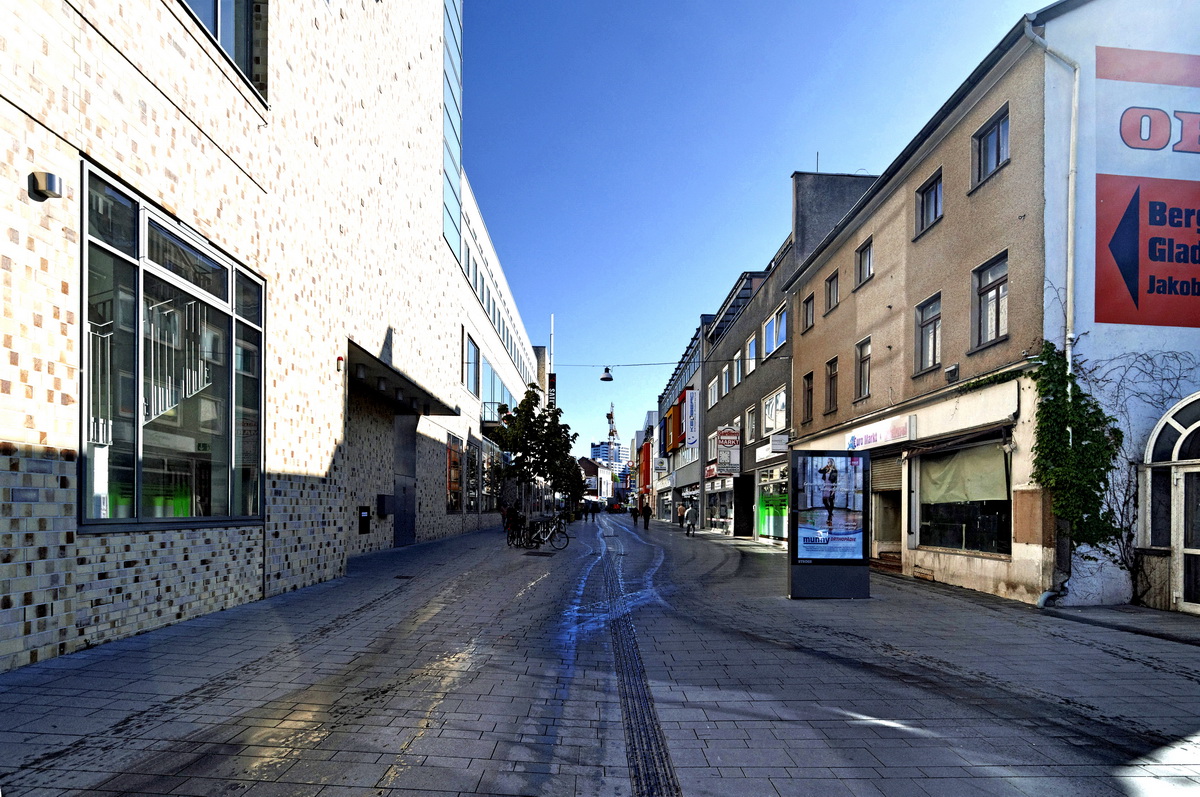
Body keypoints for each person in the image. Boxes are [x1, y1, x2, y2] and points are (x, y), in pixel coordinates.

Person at [818, 458, 838, 523]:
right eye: (827, 462)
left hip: (831, 487)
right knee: (824, 501)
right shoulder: (826, 470)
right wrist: (824, 467)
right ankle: (830, 513)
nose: (828, 463)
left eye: (829, 462)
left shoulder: (834, 471)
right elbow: (819, 471)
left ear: (832, 463)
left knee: (831, 501)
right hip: (825, 487)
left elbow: (835, 481)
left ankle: (829, 517)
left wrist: (833, 490)